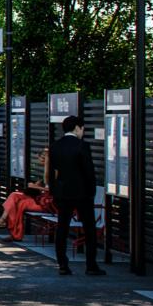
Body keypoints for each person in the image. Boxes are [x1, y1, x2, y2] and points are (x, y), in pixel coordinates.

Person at [46, 115, 103, 277]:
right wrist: (91, 191)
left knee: (62, 228)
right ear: (77, 127)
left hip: (62, 193)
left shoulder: (55, 146)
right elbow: (88, 171)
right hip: (82, 193)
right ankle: (91, 265)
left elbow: (51, 173)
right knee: (89, 229)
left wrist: (54, 192)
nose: (82, 132)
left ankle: (62, 264)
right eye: (82, 129)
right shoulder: (82, 146)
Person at [0, 150, 53, 241]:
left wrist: (36, 187)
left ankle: (13, 231)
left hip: (46, 202)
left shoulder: (53, 171)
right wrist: (36, 186)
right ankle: (5, 222)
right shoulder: (46, 171)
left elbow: (53, 190)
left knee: (20, 204)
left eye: (42, 160)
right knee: (14, 195)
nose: (41, 163)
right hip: (40, 198)